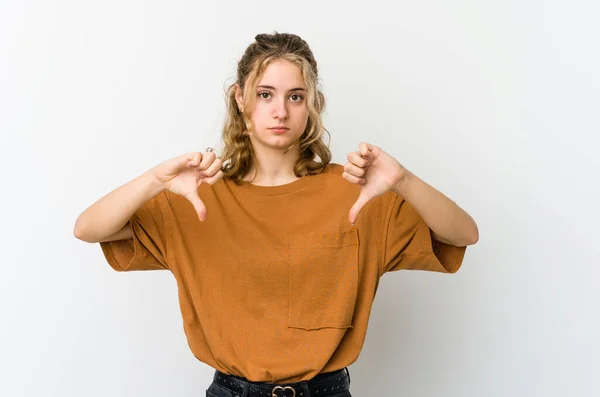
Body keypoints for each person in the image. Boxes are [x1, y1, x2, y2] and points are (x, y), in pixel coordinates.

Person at [74, 32, 478, 397]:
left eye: (295, 96)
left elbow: (462, 235)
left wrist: (403, 180)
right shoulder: (197, 195)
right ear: (240, 98)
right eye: (265, 94)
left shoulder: (358, 192)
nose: (280, 111)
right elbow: (88, 229)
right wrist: (154, 180)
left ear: (313, 104)